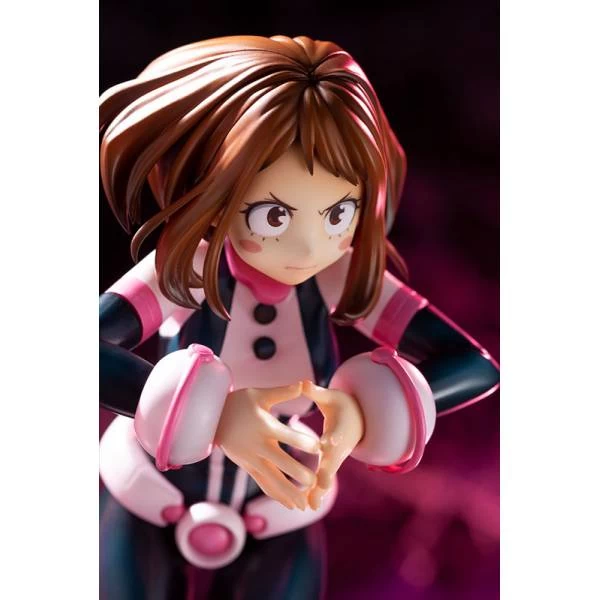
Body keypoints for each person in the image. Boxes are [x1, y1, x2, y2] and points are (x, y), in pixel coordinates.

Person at [99, 35, 499, 600]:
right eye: (273, 215)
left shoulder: (340, 276)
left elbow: (472, 366)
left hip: (279, 508)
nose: (310, 247)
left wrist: (366, 411)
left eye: (338, 213)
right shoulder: (187, 269)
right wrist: (214, 415)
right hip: (151, 493)